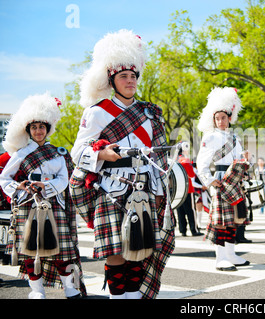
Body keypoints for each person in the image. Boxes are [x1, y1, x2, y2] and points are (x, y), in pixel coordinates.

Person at [70, 29, 175, 299]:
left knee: (139, 248)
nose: (130, 81)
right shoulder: (97, 112)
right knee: (115, 251)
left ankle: (134, 297)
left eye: (133, 76)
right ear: (112, 80)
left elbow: (159, 156)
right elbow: (77, 151)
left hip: (144, 186)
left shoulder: (150, 113)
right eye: (123, 77)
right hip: (112, 186)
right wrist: (101, 154)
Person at [0, 93, 85, 299]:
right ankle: (36, 291)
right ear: (29, 130)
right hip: (29, 204)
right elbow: (4, 178)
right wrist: (19, 187)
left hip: (53, 204)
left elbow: (64, 179)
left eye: (42, 127)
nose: (38, 131)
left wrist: (46, 186)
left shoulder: (59, 153)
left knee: (61, 250)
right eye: (34, 127)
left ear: (48, 129)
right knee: (31, 250)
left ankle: (70, 288)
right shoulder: (20, 154)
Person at [196, 87, 251, 271]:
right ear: (214, 120)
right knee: (221, 221)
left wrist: (246, 161)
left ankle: (231, 255)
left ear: (229, 118)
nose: (220, 121)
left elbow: (238, 158)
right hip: (220, 180)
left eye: (223, 118)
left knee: (233, 219)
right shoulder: (209, 137)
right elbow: (201, 162)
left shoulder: (235, 137)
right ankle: (220, 258)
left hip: (234, 180)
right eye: (217, 118)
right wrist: (210, 180)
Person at [177, 153, 203, 237]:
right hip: (187, 189)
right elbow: (191, 175)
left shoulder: (175, 161)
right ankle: (193, 230)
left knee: (180, 211)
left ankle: (182, 230)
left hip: (178, 190)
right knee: (191, 211)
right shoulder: (186, 161)